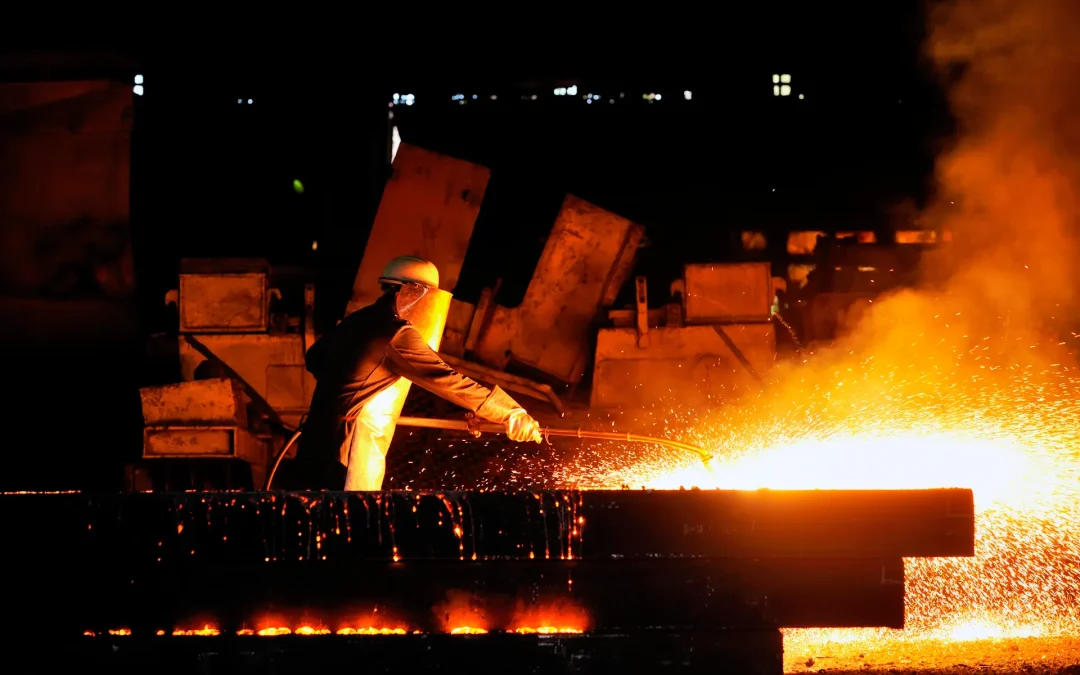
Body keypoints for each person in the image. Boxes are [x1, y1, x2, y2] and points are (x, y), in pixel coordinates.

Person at [293, 255, 543, 490]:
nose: (425, 305)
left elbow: (314, 359)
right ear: (408, 291)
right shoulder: (395, 332)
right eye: (425, 296)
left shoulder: (356, 321)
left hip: (312, 446)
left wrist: (352, 390)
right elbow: (445, 379)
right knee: (350, 525)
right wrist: (509, 413)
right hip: (343, 457)